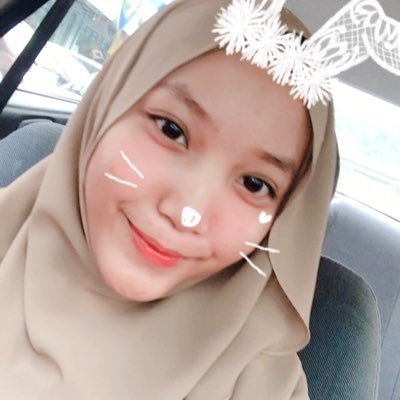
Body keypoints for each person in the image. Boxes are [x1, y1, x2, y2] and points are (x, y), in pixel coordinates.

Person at [0, 0, 338, 398]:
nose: (187, 213)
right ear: (107, 104)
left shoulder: (264, 387)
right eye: (171, 130)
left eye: (254, 184)